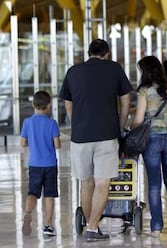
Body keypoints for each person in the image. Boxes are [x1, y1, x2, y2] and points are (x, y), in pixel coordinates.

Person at [59, 39, 132, 241]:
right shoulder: (114, 69)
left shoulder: (73, 71)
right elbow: (126, 100)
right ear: (106, 54)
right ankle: (92, 228)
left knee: (86, 183)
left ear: (88, 52)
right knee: (102, 183)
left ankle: (91, 226)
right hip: (107, 135)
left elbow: (67, 104)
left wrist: (77, 124)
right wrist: (120, 124)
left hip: (80, 137)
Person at [132, 56, 167, 238]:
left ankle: (156, 227)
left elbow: (139, 119)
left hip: (152, 139)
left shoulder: (144, 91)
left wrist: (132, 127)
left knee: (154, 184)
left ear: (145, 71)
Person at [20, 90, 61, 236]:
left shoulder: (27, 122)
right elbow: (57, 145)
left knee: (32, 192)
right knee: (49, 195)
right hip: (49, 165)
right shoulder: (52, 123)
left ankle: (27, 213)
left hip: (34, 164)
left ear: (33, 104)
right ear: (49, 105)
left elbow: (23, 143)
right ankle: (48, 226)